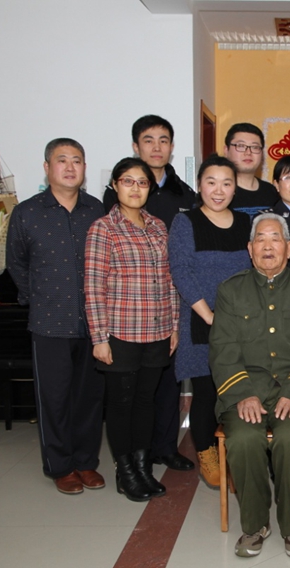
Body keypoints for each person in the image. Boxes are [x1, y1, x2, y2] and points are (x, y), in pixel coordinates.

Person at [210, 213, 290, 559]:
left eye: (275, 238)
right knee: (244, 439)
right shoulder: (231, 290)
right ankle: (255, 525)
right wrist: (242, 393)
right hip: (246, 389)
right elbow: (223, 348)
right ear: (250, 249)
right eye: (260, 239)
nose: (267, 246)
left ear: (288, 248)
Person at [6, 138, 105, 495]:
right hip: (50, 322)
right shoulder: (27, 213)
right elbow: (16, 263)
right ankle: (60, 466)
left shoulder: (97, 210)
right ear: (47, 167)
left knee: (89, 398)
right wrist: (38, 299)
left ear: (84, 168)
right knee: (55, 397)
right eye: (62, 160)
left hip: (94, 323)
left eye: (77, 160)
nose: (70, 167)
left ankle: (86, 462)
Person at [103, 114, 195, 472]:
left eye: (164, 140)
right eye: (148, 140)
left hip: (167, 306)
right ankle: (129, 462)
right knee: (130, 393)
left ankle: (164, 447)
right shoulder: (112, 204)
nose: (157, 147)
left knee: (168, 381)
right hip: (126, 316)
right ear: (135, 146)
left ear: (172, 147)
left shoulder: (184, 194)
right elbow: (98, 277)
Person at [86, 158, 180, 502]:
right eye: (128, 181)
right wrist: (99, 338)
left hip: (157, 330)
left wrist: (173, 326)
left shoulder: (158, 226)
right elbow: (93, 286)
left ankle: (142, 468)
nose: (135, 188)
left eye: (142, 182)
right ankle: (125, 472)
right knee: (121, 404)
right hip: (120, 332)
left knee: (145, 402)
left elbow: (170, 280)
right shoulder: (103, 228)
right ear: (115, 185)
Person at [168, 155, 252, 488]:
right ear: (199, 185)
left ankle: (236, 450)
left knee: (236, 389)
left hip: (242, 322)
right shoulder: (185, 222)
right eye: (211, 182)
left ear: (235, 188)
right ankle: (206, 452)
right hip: (200, 319)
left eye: (226, 183)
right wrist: (211, 317)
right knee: (206, 391)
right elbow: (181, 272)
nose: (219, 190)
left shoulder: (246, 223)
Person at [223, 122, 279, 217]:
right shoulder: (219, 192)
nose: (248, 152)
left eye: (255, 147)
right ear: (226, 151)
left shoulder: (271, 192)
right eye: (241, 146)